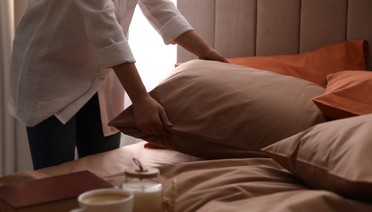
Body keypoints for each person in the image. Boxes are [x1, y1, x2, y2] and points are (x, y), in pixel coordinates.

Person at [8, 0, 228, 170]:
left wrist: (207, 53)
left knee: (104, 173)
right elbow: (105, 28)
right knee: (54, 182)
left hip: (103, 75)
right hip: (52, 75)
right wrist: (141, 99)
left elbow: (161, 9)